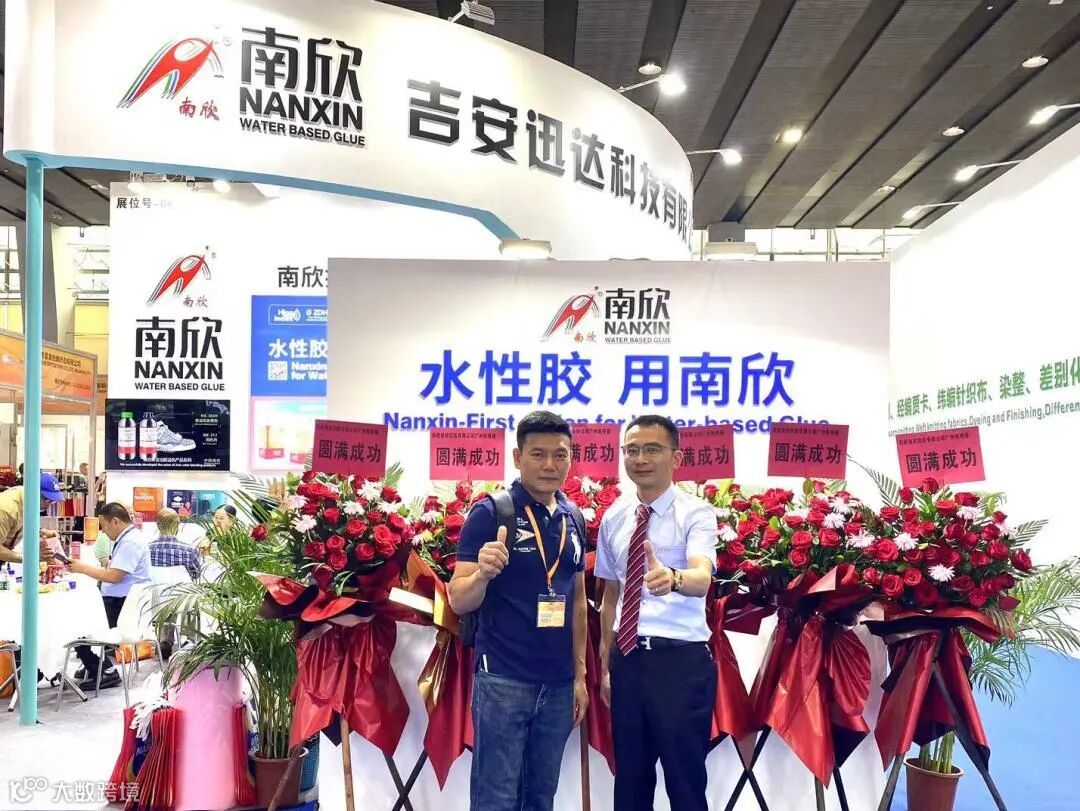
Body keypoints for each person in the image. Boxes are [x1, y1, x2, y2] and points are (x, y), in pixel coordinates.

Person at [449, 411, 588, 811]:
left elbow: (577, 600)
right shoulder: (492, 513)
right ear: (517, 457)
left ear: (571, 457)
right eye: (538, 454)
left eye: (560, 455)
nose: (549, 465)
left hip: (558, 685)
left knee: (541, 798)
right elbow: (458, 599)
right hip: (503, 681)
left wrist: (580, 676)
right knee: (496, 798)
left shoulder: (573, 517)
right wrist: (482, 575)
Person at [596, 415, 718, 811]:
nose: (640, 459)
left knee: (685, 781)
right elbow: (611, 594)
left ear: (676, 457)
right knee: (630, 780)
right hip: (628, 660)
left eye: (652, 449)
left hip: (679, 662)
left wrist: (674, 578)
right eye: (632, 450)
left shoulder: (695, 513)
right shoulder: (615, 516)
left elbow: (702, 578)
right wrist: (606, 662)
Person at [67, 503, 152, 689]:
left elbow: (114, 576)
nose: (103, 532)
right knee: (79, 621)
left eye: (104, 526)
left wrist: (83, 568)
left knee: (75, 628)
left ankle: (105, 670)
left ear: (115, 521)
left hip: (121, 606)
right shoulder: (128, 539)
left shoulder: (130, 542)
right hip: (118, 602)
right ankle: (93, 665)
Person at [149, 508, 200, 659]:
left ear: (157, 525)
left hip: (156, 601)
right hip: (182, 600)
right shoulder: (189, 550)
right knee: (191, 595)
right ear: (177, 524)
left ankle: (165, 640)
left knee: (162, 597)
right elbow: (196, 574)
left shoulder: (147, 549)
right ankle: (190, 639)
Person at [0, 473, 64, 564]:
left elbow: (18, 523)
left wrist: (40, 532)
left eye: (53, 501)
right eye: (48, 500)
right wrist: (32, 557)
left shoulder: (26, 497)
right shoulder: (6, 509)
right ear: (34, 493)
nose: (49, 505)